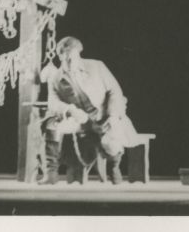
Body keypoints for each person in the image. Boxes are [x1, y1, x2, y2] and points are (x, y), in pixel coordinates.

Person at [41, 36, 139, 184]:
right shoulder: (55, 77)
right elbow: (52, 102)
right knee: (53, 127)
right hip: (80, 119)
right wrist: (69, 110)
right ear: (60, 56)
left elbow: (115, 91)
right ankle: (51, 173)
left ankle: (114, 167)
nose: (71, 62)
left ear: (79, 54)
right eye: (66, 58)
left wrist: (112, 115)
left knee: (111, 143)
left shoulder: (97, 67)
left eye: (73, 57)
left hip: (103, 116)